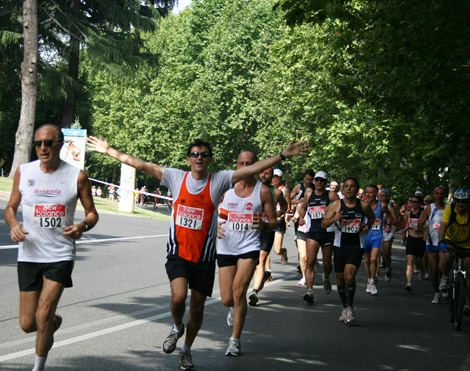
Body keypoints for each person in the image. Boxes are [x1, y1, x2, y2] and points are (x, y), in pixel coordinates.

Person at [86, 135, 308, 371]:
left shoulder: (220, 180)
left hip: (205, 257)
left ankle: (187, 350)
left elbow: (253, 169)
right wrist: (109, 151)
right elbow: (141, 164)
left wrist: (283, 155)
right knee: (179, 297)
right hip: (179, 252)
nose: (199, 158)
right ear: (188, 159)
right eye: (195, 154)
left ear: (210, 160)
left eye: (204, 155)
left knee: (199, 308)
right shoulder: (175, 177)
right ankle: (176, 327)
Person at [4, 124, 99, 371]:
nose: (43, 148)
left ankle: (38, 367)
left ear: (60, 143)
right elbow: (10, 208)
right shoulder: (24, 172)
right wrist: (13, 224)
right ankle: (51, 324)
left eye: (48, 142)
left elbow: (91, 213)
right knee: (28, 323)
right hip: (29, 253)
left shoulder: (77, 176)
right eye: (38, 143)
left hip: (60, 254)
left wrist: (82, 226)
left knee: (42, 314)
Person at [216, 151, 277, 356]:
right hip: (225, 246)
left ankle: (234, 340)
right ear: (237, 165)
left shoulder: (263, 191)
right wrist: (212, 226)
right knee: (227, 299)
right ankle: (233, 307)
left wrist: (265, 224)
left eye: (249, 163)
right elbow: (209, 209)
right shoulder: (225, 186)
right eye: (240, 163)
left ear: (256, 165)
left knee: (238, 291)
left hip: (249, 247)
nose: (244, 166)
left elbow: (274, 221)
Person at [321, 177, 375, 324]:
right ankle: (344, 307)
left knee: (349, 277)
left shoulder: (363, 205)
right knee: (340, 279)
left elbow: (372, 217)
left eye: (352, 187)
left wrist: (367, 226)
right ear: (343, 190)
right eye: (346, 187)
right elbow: (323, 224)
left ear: (357, 190)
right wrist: (333, 219)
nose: (349, 189)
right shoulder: (336, 205)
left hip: (357, 246)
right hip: (339, 246)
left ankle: (350, 307)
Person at [438, 189, 470, 315]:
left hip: (467, 243)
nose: (460, 204)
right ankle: (444, 277)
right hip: (451, 239)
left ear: (468, 202)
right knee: (448, 254)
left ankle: (467, 303)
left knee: (468, 270)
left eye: (463, 202)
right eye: (458, 201)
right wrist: (441, 241)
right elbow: (443, 225)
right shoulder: (450, 209)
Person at [248, 167, 287, 306]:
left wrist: (279, 213)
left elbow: (285, 205)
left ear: (272, 176)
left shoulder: (276, 192)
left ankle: (254, 291)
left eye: (267, 173)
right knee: (250, 261)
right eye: (262, 172)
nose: (264, 175)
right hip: (251, 230)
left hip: (267, 229)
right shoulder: (251, 189)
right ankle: (262, 277)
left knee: (260, 260)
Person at [298, 171, 339, 303]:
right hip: (313, 232)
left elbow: (340, 208)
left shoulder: (331, 195)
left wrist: (332, 211)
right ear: (314, 181)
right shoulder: (309, 193)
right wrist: (301, 217)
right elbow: (303, 207)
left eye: (322, 180)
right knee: (310, 261)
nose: (319, 182)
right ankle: (309, 291)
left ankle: (326, 277)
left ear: (326, 182)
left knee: (327, 264)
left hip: (327, 232)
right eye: (317, 180)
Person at [362, 184, 394, 295]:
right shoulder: (363, 205)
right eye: (367, 192)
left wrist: (388, 224)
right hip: (365, 235)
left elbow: (389, 215)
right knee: (366, 260)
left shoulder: (382, 205)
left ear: (376, 194)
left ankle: (372, 281)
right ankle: (369, 280)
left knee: (373, 258)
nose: (368, 194)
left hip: (377, 235)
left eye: (371, 192)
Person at [418, 186, 446, 304]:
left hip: (444, 243)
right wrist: (424, 232)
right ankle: (436, 293)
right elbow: (420, 223)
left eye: (441, 194)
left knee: (441, 268)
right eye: (437, 193)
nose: (439, 196)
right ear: (434, 195)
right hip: (431, 242)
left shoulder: (449, 208)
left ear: (444, 195)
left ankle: (444, 283)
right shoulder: (430, 208)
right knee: (433, 271)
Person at [400, 194, 425, 292]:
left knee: (418, 261)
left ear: (419, 204)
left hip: (420, 239)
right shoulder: (408, 214)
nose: (413, 204)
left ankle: (421, 269)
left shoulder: (423, 213)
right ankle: (409, 283)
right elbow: (409, 225)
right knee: (410, 261)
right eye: (411, 202)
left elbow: (429, 225)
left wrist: (420, 228)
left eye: (415, 202)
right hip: (411, 239)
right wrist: (403, 230)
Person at [378, 188, 399, 281]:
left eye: (383, 196)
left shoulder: (390, 207)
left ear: (387, 198)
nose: (381, 197)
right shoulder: (376, 206)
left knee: (386, 252)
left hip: (387, 230)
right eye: (379, 196)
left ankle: (388, 267)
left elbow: (396, 221)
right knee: (378, 251)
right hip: (378, 229)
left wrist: (388, 223)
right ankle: (375, 273)